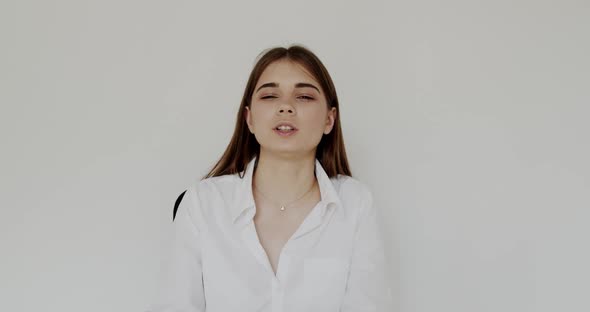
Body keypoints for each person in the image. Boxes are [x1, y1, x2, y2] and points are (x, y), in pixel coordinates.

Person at [146, 44, 392, 311]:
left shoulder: (356, 204)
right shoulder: (202, 203)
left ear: (329, 120)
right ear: (249, 119)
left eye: (304, 97)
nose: (286, 107)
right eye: (270, 96)